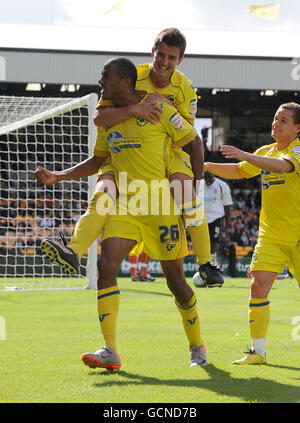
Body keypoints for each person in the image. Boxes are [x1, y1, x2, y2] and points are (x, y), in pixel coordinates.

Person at [35, 57, 207, 370]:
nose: (100, 81)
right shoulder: (109, 118)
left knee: (176, 281)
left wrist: (193, 186)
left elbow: (192, 142)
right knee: (106, 264)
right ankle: (109, 350)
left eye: (105, 75)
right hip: (126, 204)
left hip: (160, 205)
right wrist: (59, 176)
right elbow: (98, 160)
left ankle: (197, 345)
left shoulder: (161, 109)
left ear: (125, 81)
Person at [40, 27, 223, 288]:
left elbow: (187, 136)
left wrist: (160, 108)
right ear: (153, 52)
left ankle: (205, 264)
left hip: (166, 150)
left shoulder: (185, 89)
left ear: (179, 60)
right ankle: (74, 251)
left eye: (172, 58)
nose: (164, 62)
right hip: (124, 154)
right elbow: (99, 118)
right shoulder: (129, 76)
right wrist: (137, 108)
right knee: (101, 199)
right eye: (161, 55)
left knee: (187, 195)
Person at [204, 102, 300, 364]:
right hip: (271, 235)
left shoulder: (297, 150)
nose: (276, 123)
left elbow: (282, 167)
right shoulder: (265, 151)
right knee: (257, 286)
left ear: (297, 128)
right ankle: (258, 352)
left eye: (283, 120)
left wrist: (243, 153)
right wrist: (207, 166)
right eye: (275, 118)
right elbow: (238, 171)